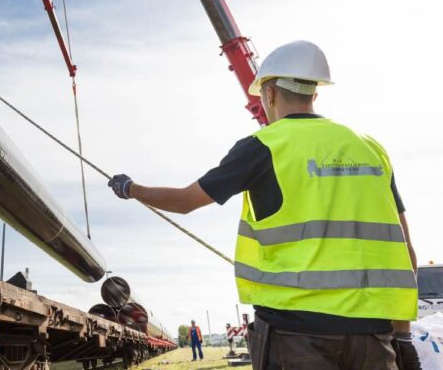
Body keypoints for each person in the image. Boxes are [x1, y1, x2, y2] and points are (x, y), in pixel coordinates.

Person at [108, 41, 421, 370]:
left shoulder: (263, 146)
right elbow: (405, 251)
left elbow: (187, 201)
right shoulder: (371, 148)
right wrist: (403, 337)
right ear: (315, 94)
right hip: (371, 335)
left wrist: (131, 188)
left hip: (295, 336)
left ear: (269, 94)